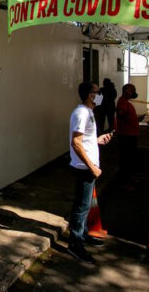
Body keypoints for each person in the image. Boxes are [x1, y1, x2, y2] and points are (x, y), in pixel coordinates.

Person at [68, 82, 112, 263]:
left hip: (89, 167)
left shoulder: (89, 112)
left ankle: (83, 234)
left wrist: (97, 140)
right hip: (85, 168)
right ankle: (75, 244)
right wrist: (92, 167)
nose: (100, 94)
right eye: (97, 92)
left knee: (85, 205)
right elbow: (76, 143)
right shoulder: (81, 113)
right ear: (89, 95)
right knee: (82, 206)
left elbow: (84, 140)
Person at [116, 83, 146, 176]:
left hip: (130, 133)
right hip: (126, 134)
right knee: (127, 157)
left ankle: (128, 176)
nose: (133, 92)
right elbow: (121, 113)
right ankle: (125, 179)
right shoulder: (123, 101)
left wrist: (136, 119)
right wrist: (129, 121)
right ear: (125, 91)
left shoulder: (127, 101)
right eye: (131, 90)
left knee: (130, 156)